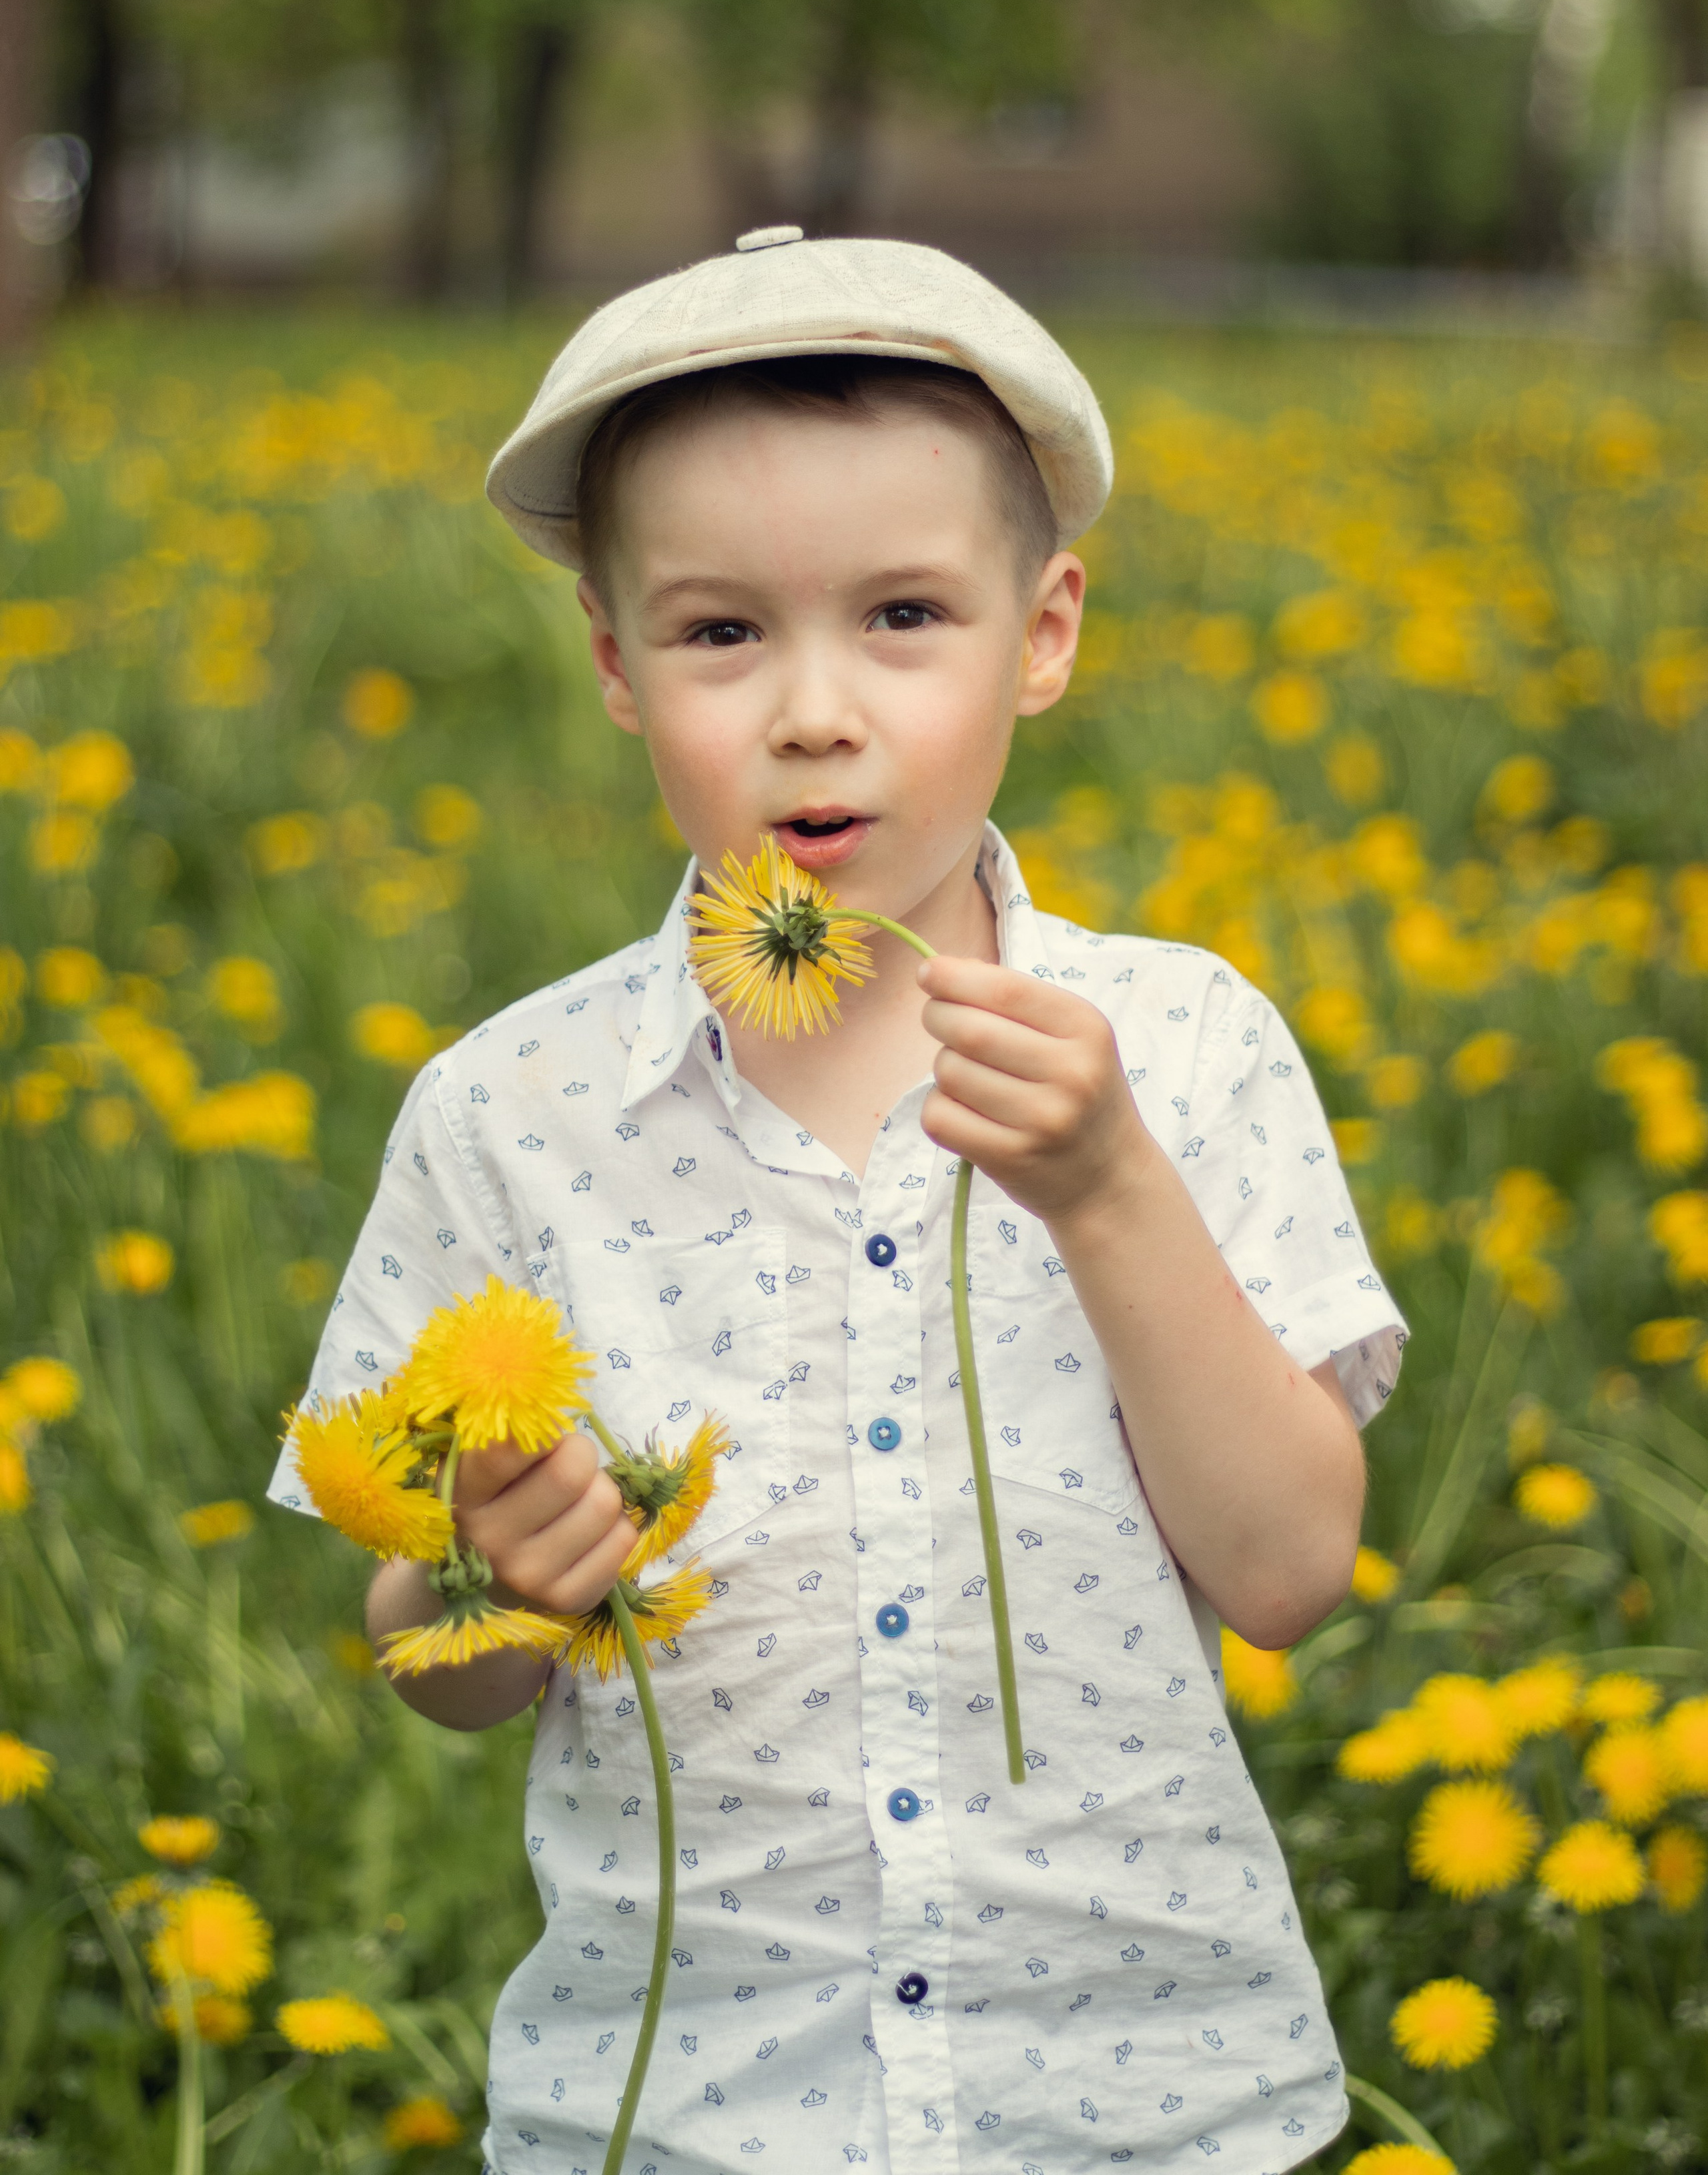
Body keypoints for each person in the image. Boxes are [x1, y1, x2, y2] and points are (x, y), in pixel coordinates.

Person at [270, 227, 1406, 2175]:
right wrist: (493, 1587)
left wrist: (1111, 1192)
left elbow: (1294, 1572)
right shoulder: (508, 1117)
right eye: (723, 635)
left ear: (1042, 635)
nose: (815, 710)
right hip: (693, 2115)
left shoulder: (1186, 1050)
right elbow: (425, 1659)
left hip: (1152, 2108)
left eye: (902, 617)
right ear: (620, 673)